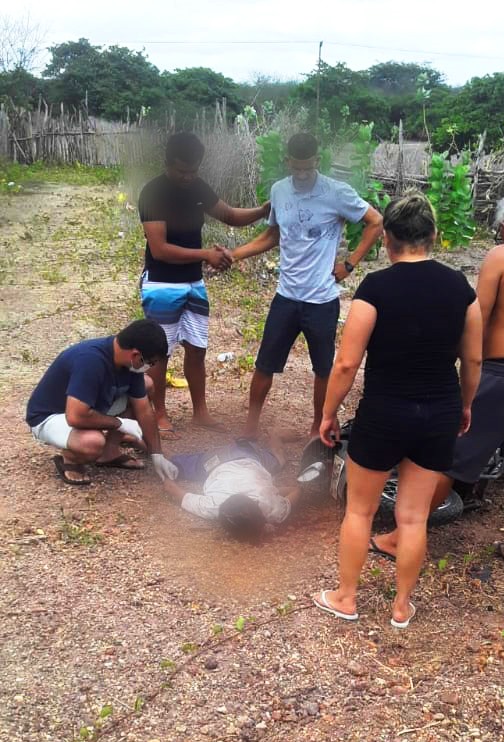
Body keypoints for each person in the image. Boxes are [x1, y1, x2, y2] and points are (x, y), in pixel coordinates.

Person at [312, 191, 482, 625]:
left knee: (360, 511)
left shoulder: (375, 288)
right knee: (412, 516)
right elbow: (474, 359)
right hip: (438, 410)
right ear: (434, 236)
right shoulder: (461, 289)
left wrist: (328, 413)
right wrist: (464, 405)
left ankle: (346, 597)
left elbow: (347, 362)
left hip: (384, 414)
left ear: (386, 239)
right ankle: (402, 607)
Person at [375, 191, 504, 575]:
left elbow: (475, 321)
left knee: (448, 457)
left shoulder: (502, 257)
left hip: (502, 371)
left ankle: (403, 536)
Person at [231, 132, 383, 437]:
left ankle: (318, 427)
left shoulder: (337, 192)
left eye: (307, 168)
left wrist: (350, 263)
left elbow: (375, 221)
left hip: (322, 299)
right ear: (287, 162)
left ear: (317, 160)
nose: (301, 174)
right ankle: (250, 427)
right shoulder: (279, 191)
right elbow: (273, 235)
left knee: (323, 368)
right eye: (296, 168)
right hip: (286, 296)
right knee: (264, 364)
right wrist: (234, 255)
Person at [139, 131, 269, 433]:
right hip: (161, 285)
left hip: (193, 283)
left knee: (197, 349)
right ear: (168, 163)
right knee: (161, 352)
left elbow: (231, 215)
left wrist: (263, 210)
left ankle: (200, 412)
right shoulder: (153, 193)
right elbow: (159, 249)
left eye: (194, 170)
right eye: (182, 170)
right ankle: (159, 413)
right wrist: (205, 254)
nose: (188, 176)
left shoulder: (197, 186)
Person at [26, 319, 178, 486]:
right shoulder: (91, 361)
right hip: (51, 416)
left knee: (147, 384)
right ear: (136, 355)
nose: (150, 367)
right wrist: (120, 423)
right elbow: (75, 416)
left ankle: (110, 452)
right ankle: (70, 459)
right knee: (92, 442)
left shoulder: (128, 362)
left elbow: (143, 409)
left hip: (88, 407)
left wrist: (157, 455)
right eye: (151, 362)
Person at [161, 436, 301, 542]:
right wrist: (271, 491)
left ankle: (275, 435)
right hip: (225, 459)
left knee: (279, 461)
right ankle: (275, 435)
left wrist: (271, 491)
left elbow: (296, 490)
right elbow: (171, 488)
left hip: (238, 456)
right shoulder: (212, 507)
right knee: (173, 466)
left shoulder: (272, 509)